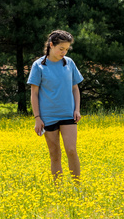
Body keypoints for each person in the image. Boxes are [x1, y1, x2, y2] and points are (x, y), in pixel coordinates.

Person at [28, 30, 84, 181]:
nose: (64, 52)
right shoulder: (38, 65)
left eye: (66, 49)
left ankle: (77, 188)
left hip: (68, 114)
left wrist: (77, 109)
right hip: (48, 116)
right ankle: (58, 190)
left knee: (71, 150)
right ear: (51, 45)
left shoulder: (69, 63)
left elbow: (75, 88)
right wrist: (37, 118)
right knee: (55, 154)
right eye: (61, 48)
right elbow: (34, 93)